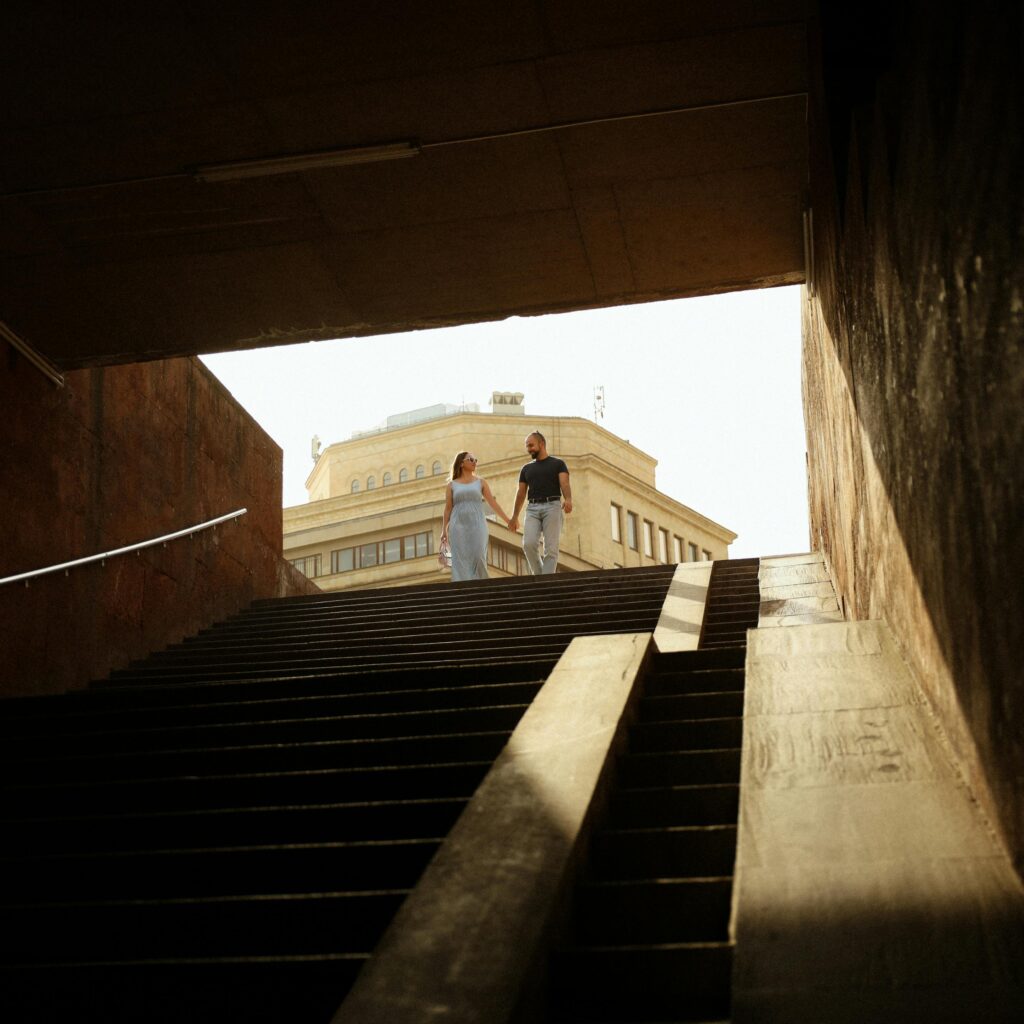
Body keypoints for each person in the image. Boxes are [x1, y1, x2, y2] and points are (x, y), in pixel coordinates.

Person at [440, 451, 512, 581]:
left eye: (475, 460)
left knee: (478, 555)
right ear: (461, 463)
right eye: (471, 459)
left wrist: (508, 520)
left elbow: (493, 503)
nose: (474, 462)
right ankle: (462, 589)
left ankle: (481, 586)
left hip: (478, 524)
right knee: (461, 559)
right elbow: (448, 509)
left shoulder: (481, 482)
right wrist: (444, 530)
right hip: (458, 525)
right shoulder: (452, 485)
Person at [507, 431, 572, 575]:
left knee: (551, 548)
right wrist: (514, 516)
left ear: (541, 444)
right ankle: (541, 577)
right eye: (527, 446)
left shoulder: (558, 464)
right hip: (532, 508)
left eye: (531, 445)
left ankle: (545, 581)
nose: (528, 449)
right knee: (528, 544)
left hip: (553, 506)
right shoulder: (526, 469)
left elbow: (565, 483)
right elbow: (521, 493)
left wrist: (568, 499)